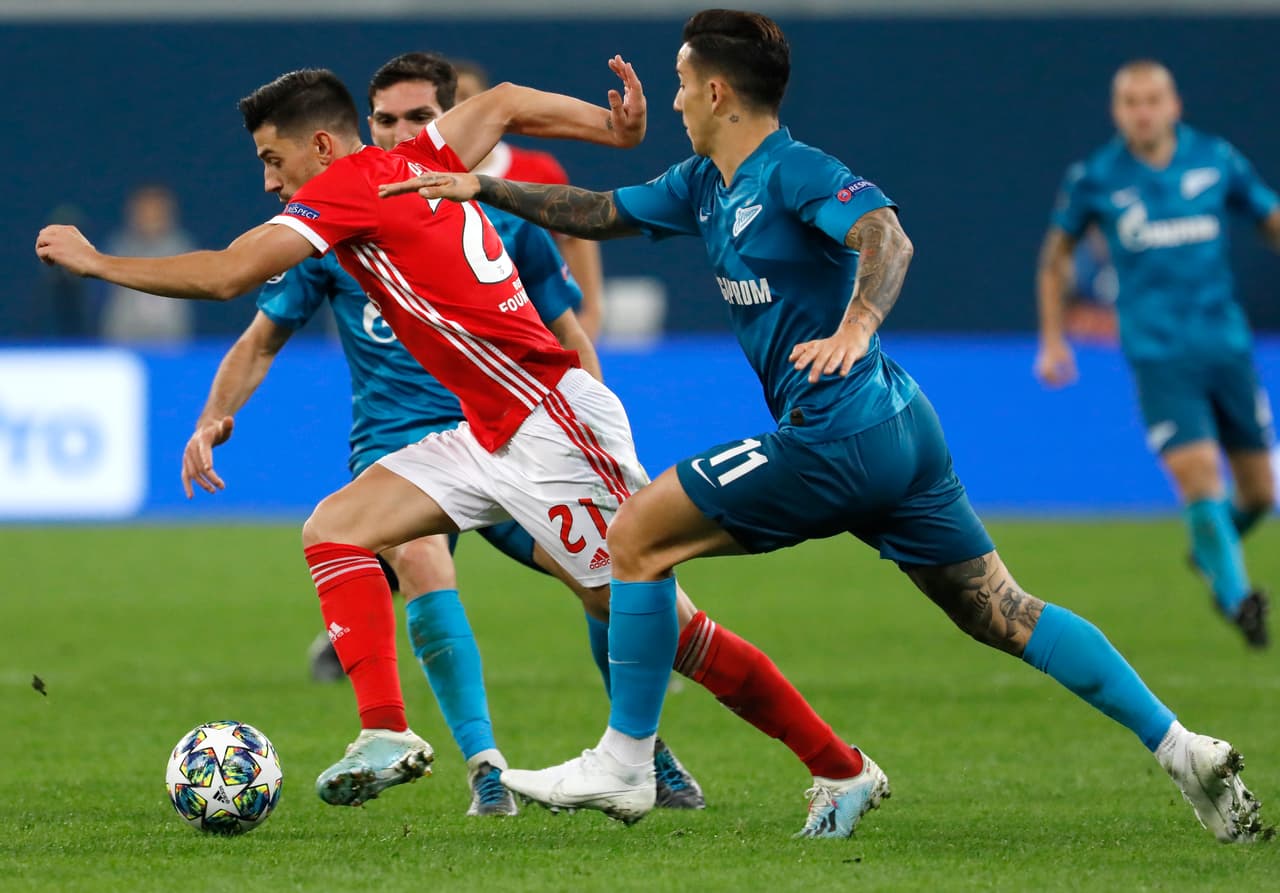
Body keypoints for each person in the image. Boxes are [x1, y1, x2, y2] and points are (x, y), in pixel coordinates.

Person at [388, 11, 1267, 842]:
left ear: (719, 91)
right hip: (899, 429)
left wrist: (856, 324)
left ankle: (626, 762)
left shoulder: (795, 170)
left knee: (637, 534)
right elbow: (602, 211)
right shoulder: (702, 184)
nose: (677, 100)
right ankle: (1181, 747)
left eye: (683, 83)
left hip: (839, 433)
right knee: (1003, 610)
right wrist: (484, 187)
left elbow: (886, 236)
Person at [37, 60, 871, 833]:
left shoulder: (346, 187)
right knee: (335, 528)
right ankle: (386, 731)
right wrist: (608, 127)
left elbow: (228, 273)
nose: (268, 180)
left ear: (320, 146)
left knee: (665, 626)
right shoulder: (422, 156)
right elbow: (503, 103)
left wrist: (98, 261)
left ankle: (840, 767)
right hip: (485, 431)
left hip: (551, 423)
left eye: (271, 158)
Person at [179, 51, 626, 817]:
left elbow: (568, 331)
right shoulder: (323, 224)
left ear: (446, 123)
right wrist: (214, 415)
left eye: (417, 118)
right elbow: (258, 337)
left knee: (605, 585)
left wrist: (587, 424)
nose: (396, 132)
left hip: (509, 430)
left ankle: (642, 748)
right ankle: (482, 766)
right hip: (398, 438)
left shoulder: (497, 209)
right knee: (418, 560)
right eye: (383, 118)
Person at [1036, 60, 1280, 648]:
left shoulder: (1215, 159)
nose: (1143, 112)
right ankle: (1238, 598)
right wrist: (1052, 339)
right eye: (1131, 102)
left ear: (1174, 105)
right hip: (1159, 354)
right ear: (1116, 111)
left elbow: (1268, 218)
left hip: (1226, 345)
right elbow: (1056, 257)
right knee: (1200, 477)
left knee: (1259, 495)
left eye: (1152, 100)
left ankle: (1210, 549)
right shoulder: (1097, 177)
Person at [453, 59, 606, 339]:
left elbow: (575, 235)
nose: (457, 108)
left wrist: (592, 312)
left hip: (539, 328)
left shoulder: (538, 170)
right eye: (448, 99)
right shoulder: (421, 175)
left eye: (466, 97)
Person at [100, 185, 197, 343]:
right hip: (124, 337)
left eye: (156, 212)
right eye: (145, 211)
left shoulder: (182, 247)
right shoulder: (118, 247)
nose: (150, 218)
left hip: (171, 339)